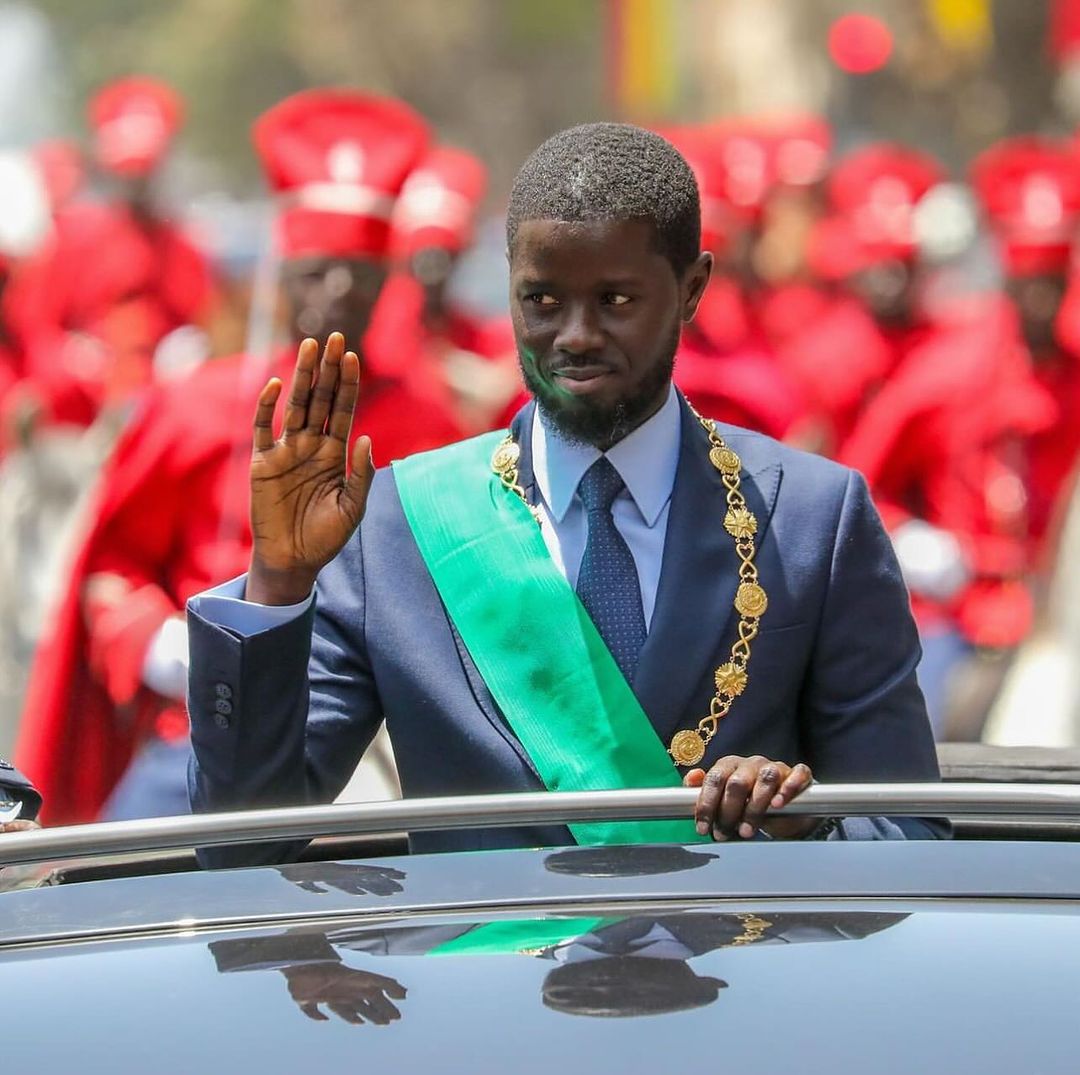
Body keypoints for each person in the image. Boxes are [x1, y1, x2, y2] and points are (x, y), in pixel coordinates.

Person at [187, 123, 945, 863]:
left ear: (691, 290)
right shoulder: (397, 525)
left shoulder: (815, 518)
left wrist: (802, 831)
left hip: (729, 977)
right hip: (484, 983)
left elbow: (909, 839)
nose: (575, 335)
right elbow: (248, 837)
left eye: (615, 300)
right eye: (543, 301)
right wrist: (279, 581)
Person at [15, 89, 465, 825]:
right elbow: (111, 564)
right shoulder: (192, 405)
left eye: (361, 269)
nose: (341, 292)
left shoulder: (431, 418)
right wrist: (159, 644)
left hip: (380, 739)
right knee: (97, 884)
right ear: (283, 272)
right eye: (320, 268)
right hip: (196, 727)